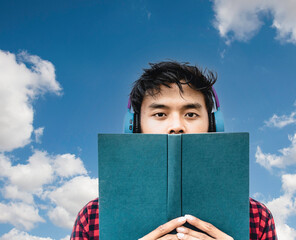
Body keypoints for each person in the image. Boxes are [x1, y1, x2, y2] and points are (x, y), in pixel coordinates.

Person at [71, 61, 277, 240]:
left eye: (191, 114)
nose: (176, 126)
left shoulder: (257, 216)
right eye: (160, 114)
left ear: (213, 125)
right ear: (134, 126)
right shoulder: (92, 216)